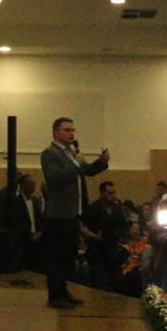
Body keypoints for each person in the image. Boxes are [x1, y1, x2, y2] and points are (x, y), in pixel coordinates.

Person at [39, 117, 108, 308]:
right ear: (56, 133)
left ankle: (63, 291)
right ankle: (55, 296)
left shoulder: (71, 152)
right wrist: (76, 164)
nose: (72, 133)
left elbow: (87, 171)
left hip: (72, 214)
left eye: (73, 130)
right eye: (67, 130)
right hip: (57, 215)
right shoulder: (49, 154)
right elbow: (54, 178)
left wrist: (102, 162)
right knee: (56, 258)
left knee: (68, 257)